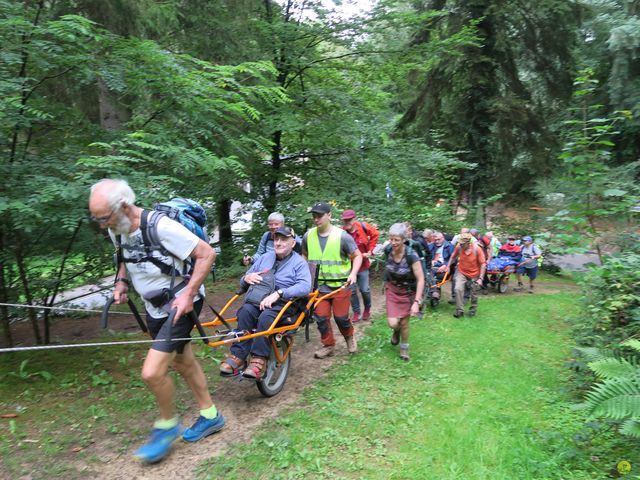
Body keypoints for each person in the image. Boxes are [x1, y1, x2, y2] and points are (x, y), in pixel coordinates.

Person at [88, 179, 223, 463]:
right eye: (97, 219)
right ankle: (211, 415)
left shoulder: (161, 227)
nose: (102, 225)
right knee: (182, 361)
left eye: (104, 218)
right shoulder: (118, 228)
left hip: (180, 305)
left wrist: (187, 295)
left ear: (124, 206)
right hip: (154, 306)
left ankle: (166, 425)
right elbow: (124, 255)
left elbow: (206, 254)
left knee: (151, 373)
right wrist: (122, 280)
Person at [220, 226, 312, 378]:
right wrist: (246, 278)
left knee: (265, 317)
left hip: (285, 302)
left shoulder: (299, 263)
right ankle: (238, 355)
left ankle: (258, 359)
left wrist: (279, 293)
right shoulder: (265, 257)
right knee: (245, 311)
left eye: (284, 240)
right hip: (259, 299)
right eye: (276, 239)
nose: (279, 243)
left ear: (293, 243)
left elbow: (305, 287)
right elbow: (245, 278)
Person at [302, 202, 362, 359]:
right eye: (314, 216)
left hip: (340, 286)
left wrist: (354, 273)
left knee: (341, 318)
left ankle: (349, 337)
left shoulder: (342, 236)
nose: (316, 219)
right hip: (318, 288)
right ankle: (328, 345)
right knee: (321, 318)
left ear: (329, 215)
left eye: (320, 216)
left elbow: (357, 256)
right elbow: (304, 256)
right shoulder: (308, 236)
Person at [383, 223, 425, 361]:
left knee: (405, 322)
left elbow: (420, 279)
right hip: (392, 289)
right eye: (391, 239)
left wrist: (417, 302)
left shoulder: (411, 255)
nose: (393, 243)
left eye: (397, 240)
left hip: (408, 291)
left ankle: (404, 348)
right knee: (393, 323)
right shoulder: (388, 249)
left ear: (403, 240)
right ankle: (396, 330)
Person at [341, 209, 379, 322]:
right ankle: (356, 312)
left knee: (364, 289)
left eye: (349, 220)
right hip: (348, 267)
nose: (347, 222)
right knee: (351, 291)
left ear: (354, 219)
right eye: (345, 220)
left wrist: (370, 251)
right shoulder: (341, 233)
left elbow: (375, 234)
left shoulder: (363, 227)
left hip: (363, 265)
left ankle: (367, 308)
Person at [445, 233, 486, 318]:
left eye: (462, 244)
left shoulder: (477, 249)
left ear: (468, 243)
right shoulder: (459, 247)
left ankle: (473, 309)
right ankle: (459, 310)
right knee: (457, 289)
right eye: (459, 243)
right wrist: (448, 266)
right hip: (462, 272)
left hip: (474, 274)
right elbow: (453, 257)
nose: (460, 245)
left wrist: (481, 278)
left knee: (473, 293)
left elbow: (483, 264)